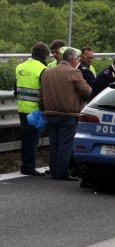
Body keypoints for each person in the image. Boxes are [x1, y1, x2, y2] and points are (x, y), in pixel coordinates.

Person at [38, 47, 91, 180]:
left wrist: (43, 109)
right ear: (73, 59)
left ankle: (54, 171)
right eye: (77, 59)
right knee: (65, 145)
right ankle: (61, 173)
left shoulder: (47, 72)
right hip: (68, 114)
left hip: (50, 113)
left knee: (54, 143)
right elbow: (87, 91)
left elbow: (41, 94)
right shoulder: (74, 72)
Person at [13, 42, 50, 176]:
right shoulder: (43, 69)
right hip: (35, 110)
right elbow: (45, 91)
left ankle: (25, 166)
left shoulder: (20, 66)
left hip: (22, 107)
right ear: (45, 55)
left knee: (26, 137)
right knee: (32, 139)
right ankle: (29, 167)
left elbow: (15, 89)